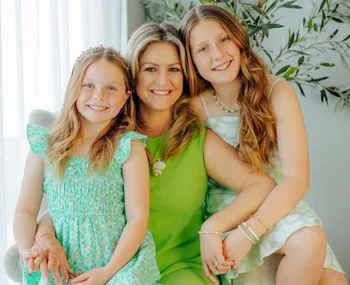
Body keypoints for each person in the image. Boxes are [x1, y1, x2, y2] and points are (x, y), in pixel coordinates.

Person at [15, 23, 277, 285]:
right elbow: (67, 202)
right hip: (117, 268)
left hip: (179, 269)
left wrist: (216, 227)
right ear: (132, 77)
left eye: (174, 69)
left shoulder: (195, 140)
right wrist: (43, 236)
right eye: (151, 69)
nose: (163, 81)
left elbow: (260, 184)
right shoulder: (104, 138)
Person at [179, 5, 347, 285]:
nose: (218, 54)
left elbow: (296, 180)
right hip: (231, 205)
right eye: (203, 49)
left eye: (223, 40)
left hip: (281, 203)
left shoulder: (276, 91)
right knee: (309, 241)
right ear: (191, 61)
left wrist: (249, 232)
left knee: (321, 260)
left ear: (239, 40)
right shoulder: (195, 108)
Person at [13, 46, 161, 285]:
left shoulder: (128, 147)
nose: (99, 96)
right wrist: (26, 251)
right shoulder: (45, 145)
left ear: (125, 96)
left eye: (111, 88)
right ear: (74, 88)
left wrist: (108, 272)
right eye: (88, 85)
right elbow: (26, 210)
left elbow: (137, 220)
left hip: (117, 266)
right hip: (60, 266)